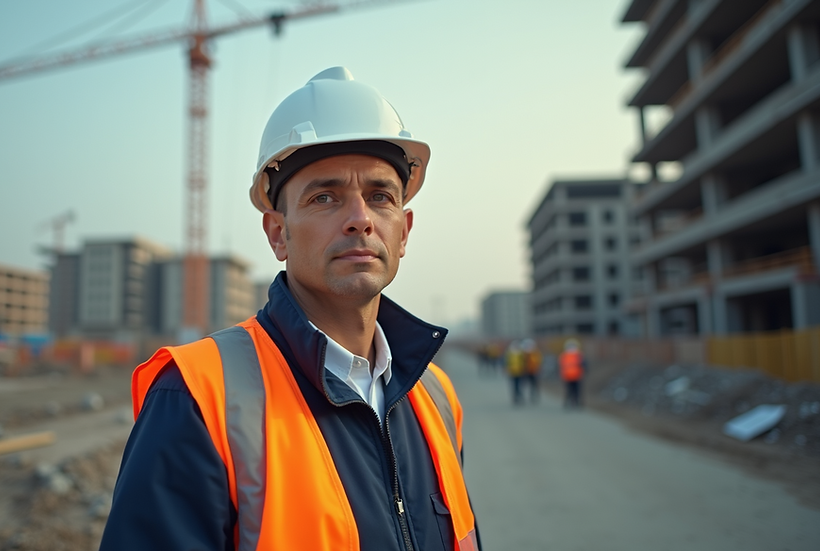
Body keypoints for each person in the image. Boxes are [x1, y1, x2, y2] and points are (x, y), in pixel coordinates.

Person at [100, 67, 479, 550]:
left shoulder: (436, 396)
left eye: (380, 196)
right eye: (326, 197)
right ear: (278, 233)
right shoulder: (198, 397)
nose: (360, 219)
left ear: (403, 231)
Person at [559, 339, 585, 409]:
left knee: (575, 391)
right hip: (569, 376)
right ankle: (570, 403)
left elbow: (583, 364)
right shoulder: (566, 355)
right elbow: (561, 366)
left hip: (576, 376)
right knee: (571, 391)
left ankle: (575, 404)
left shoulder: (578, 355)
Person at [521, 339, 542, 404]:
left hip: (533, 371)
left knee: (534, 385)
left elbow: (538, 361)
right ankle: (523, 397)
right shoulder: (523, 353)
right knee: (524, 385)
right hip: (525, 371)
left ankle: (533, 396)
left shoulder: (535, 353)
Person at [504, 340, 525, 405]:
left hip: (520, 371)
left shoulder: (521, 353)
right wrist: (507, 369)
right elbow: (507, 362)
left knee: (519, 385)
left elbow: (523, 361)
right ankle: (515, 397)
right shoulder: (510, 353)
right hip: (512, 372)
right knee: (514, 385)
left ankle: (519, 395)